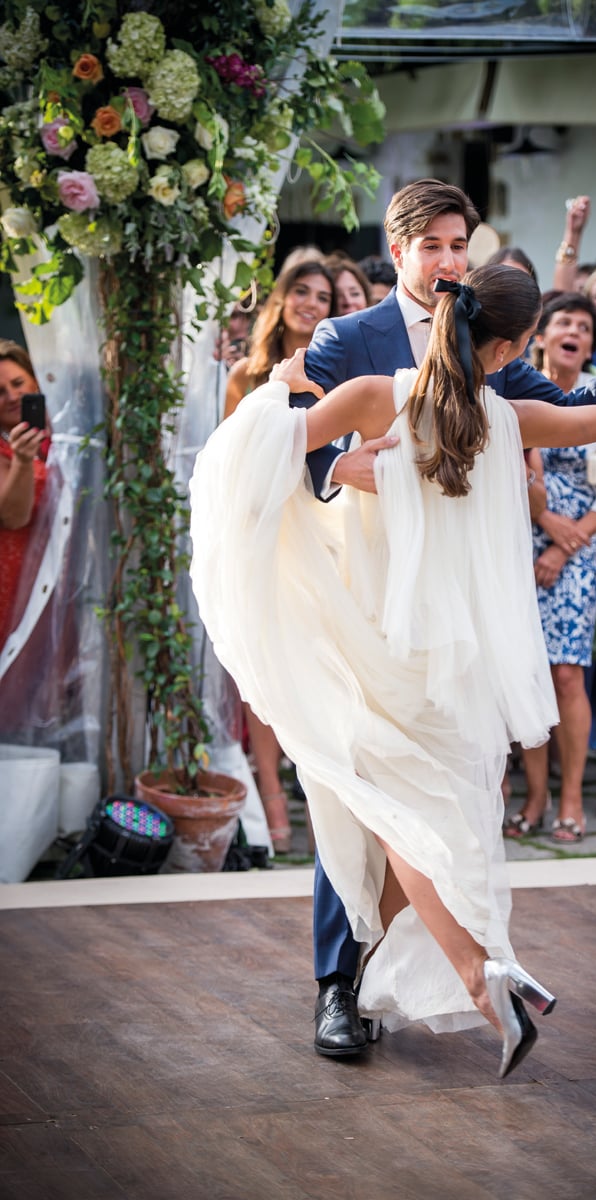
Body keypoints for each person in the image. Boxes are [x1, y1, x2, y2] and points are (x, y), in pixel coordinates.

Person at [189, 264, 596, 1076]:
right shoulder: (512, 419)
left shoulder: (371, 397)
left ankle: (478, 972)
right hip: (464, 662)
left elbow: (249, 464)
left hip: (376, 643)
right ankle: (395, 982)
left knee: (394, 822)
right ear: (510, 347)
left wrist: (282, 391)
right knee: (416, 818)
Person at [501, 292, 596, 842]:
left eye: (584, 324)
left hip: (579, 552)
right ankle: (534, 796)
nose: (574, 330)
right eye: (563, 322)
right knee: (526, 674)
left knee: (566, 674)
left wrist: (563, 542)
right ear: (541, 334)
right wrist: (543, 526)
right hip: (515, 544)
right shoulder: (517, 386)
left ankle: (573, 796)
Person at [224, 259, 337, 851]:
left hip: (324, 522)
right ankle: (270, 787)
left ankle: (319, 790)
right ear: (283, 299)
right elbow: (230, 458)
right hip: (265, 525)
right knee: (266, 664)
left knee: (318, 664)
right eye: (302, 291)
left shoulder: (340, 368)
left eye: (323, 295)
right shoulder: (246, 373)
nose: (311, 303)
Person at [0, 340, 48, 649]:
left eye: (18, 383)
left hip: (60, 569)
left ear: (34, 379)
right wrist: (21, 460)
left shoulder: (66, 431)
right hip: (15, 578)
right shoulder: (6, 449)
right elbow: (13, 517)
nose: (13, 396)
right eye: (0, 392)